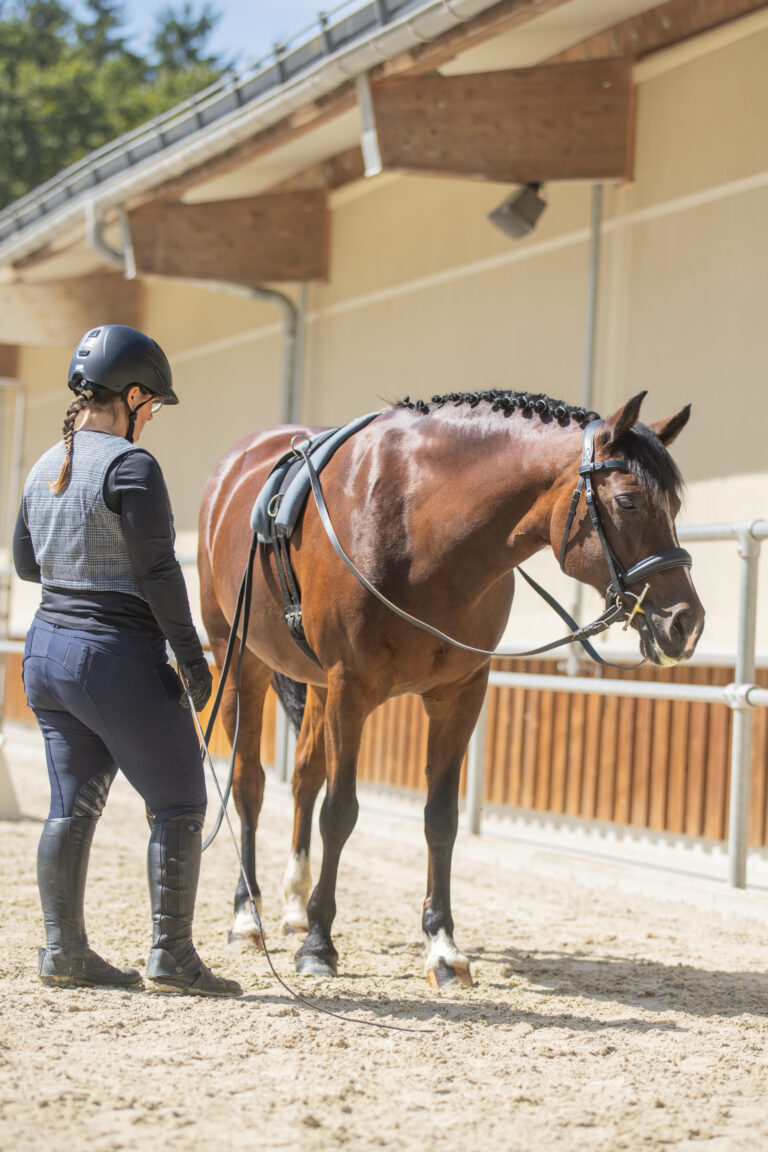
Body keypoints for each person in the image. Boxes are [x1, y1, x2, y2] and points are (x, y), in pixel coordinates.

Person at [13, 324, 241, 998]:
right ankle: (171, 957)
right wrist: (197, 670)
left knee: (69, 806)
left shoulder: (41, 464)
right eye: (154, 405)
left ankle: (64, 952)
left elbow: (28, 564)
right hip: (114, 658)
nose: (153, 418)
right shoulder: (131, 466)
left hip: (45, 653)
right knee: (177, 802)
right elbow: (160, 577)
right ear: (135, 395)